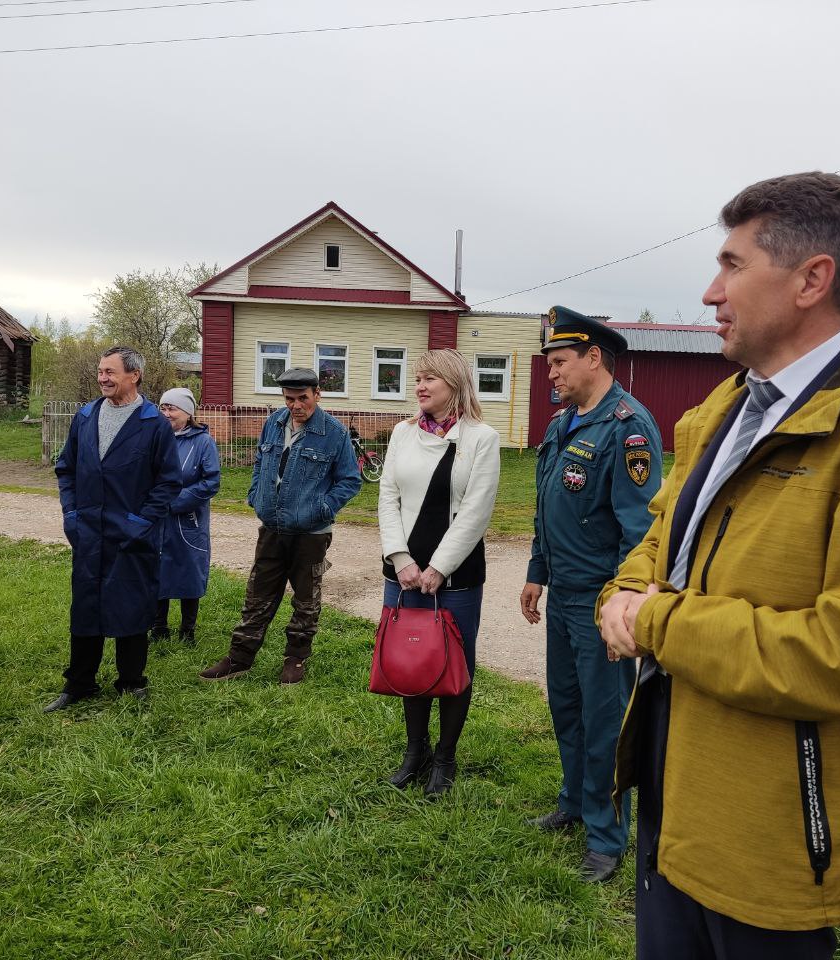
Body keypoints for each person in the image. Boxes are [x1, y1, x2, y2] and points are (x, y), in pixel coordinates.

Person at [597, 172, 840, 958]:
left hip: (774, 825)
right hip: (677, 780)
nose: (709, 291)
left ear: (811, 280)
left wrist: (655, 618)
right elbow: (662, 536)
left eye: (733, 265)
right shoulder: (724, 410)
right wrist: (626, 590)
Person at [520, 307, 662, 882]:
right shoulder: (564, 424)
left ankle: (607, 837)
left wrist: (620, 609)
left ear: (593, 358)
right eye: (549, 364)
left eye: (559, 363)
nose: (550, 374)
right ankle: (575, 803)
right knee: (567, 708)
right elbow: (545, 507)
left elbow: (641, 530)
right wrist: (535, 571)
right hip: (561, 596)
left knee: (606, 720)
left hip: (598, 601)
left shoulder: (628, 427)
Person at [378, 349, 501, 795]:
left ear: (454, 383)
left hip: (458, 574)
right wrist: (401, 558)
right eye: (418, 379)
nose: (420, 386)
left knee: (453, 662)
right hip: (404, 573)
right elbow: (387, 497)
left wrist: (439, 567)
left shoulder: (481, 438)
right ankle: (416, 752)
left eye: (431, 378)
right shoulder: (402, 433)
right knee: (411, 658)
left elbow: (476, 510)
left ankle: (445, 758)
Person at [199, 367, 361, 685]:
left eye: (303, 398)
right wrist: (255, 495)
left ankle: (295, 659)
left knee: (305, 599)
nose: (296, 405)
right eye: (290, 398)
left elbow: (349, 480)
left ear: (317, 394)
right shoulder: (273, 423)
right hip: (272, 526)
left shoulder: (335, 433)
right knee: (257, 595)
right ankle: (239, 658)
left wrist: (323, 508)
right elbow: (261, 462)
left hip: (311, 533)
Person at [44, 345, 181, 712]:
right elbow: (66, 470)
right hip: (88, 530)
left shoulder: (153, 423)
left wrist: (141, 523)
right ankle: (79, 684)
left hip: (133, 534)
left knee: (132, 606)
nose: (103, 378)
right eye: (101, 371)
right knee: (86, 605)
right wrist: (71, 514)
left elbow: (168, 483)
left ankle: (131, 682)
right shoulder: (86, 416)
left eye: (110, 372)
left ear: (133, 376)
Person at [152, 387, 221, 647]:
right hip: (157, 518)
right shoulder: (156, 438)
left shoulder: (203, 442)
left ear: (187, 413)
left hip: (187, 519)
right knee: (157, 569)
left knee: (189, 570)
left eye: (172, 408)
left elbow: (210, 481)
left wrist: (175, 502)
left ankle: (187, 630)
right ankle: (158, 627)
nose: (166, 413)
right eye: (163, 407)